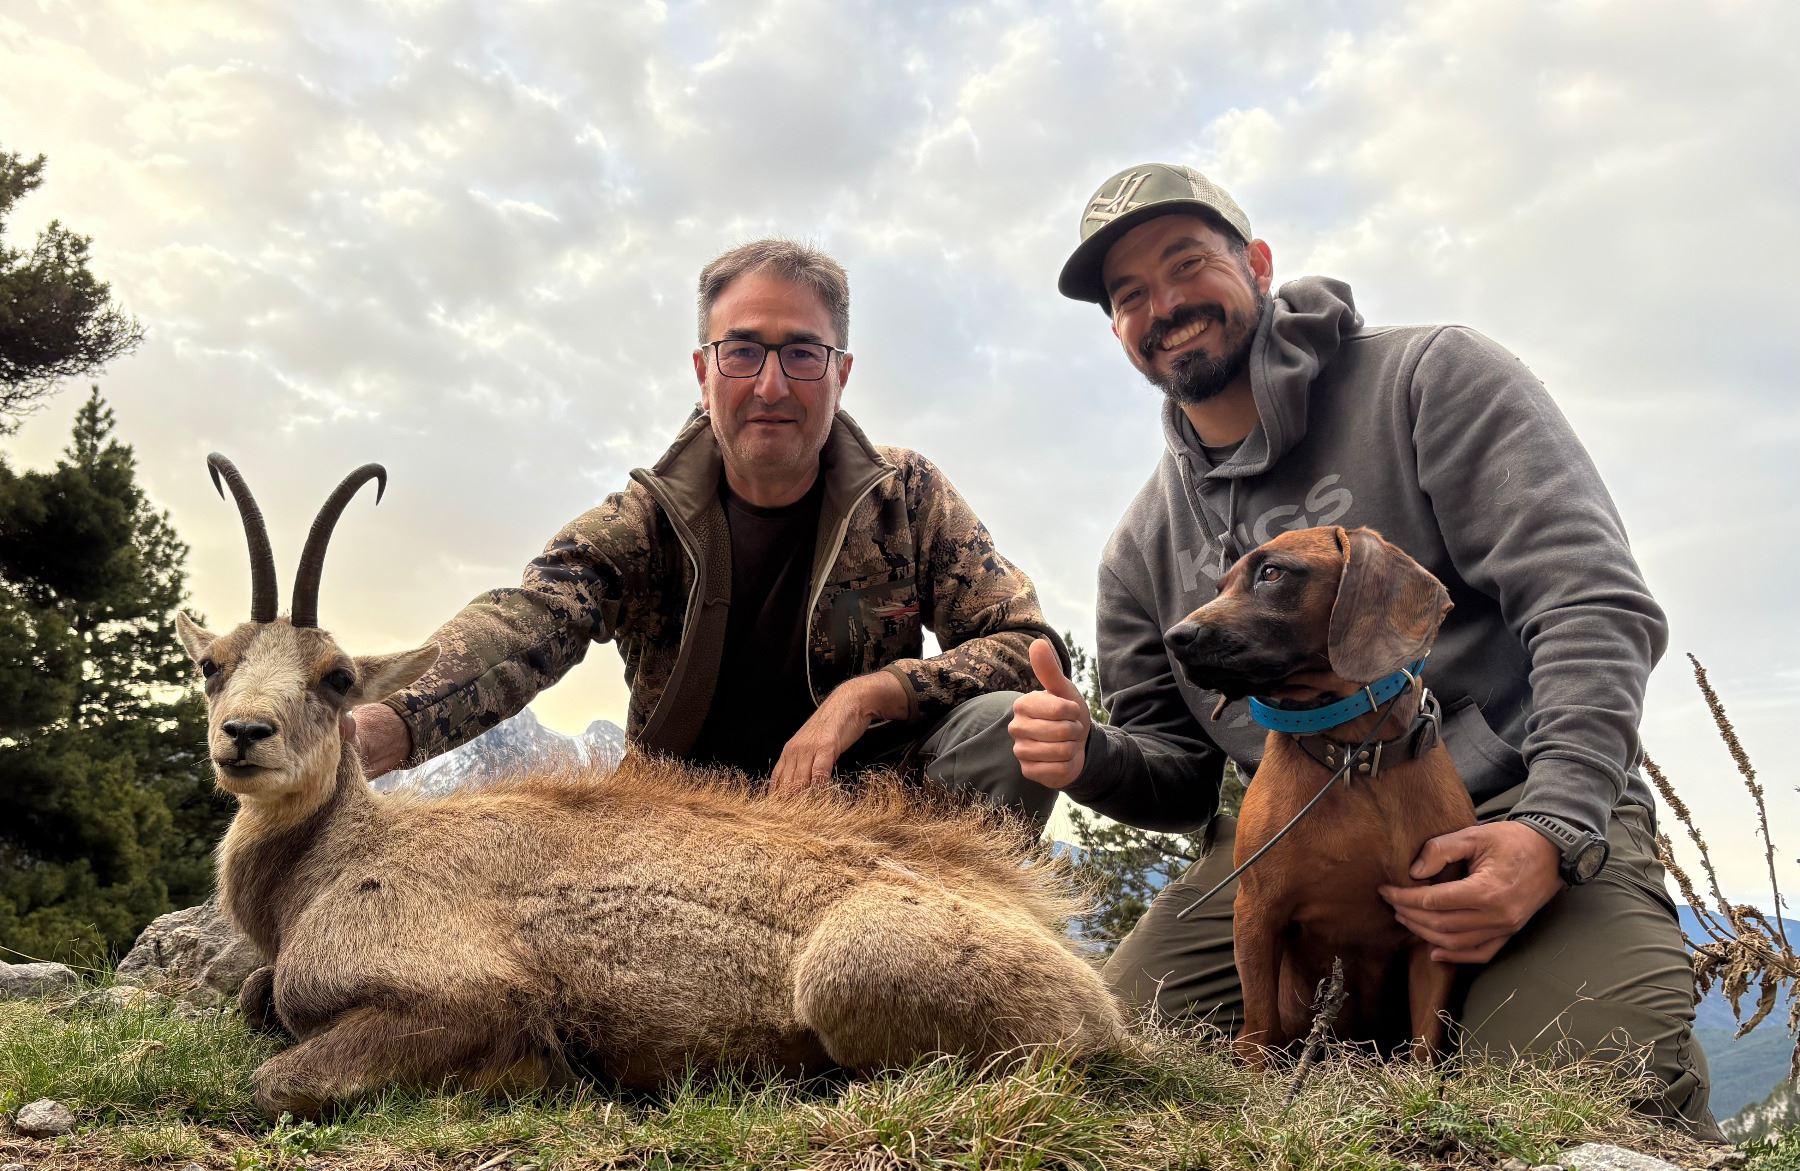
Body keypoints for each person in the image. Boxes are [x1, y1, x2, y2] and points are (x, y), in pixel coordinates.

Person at [1006, 164, 1716, 1133]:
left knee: (1583, 1091)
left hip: (1510, 804)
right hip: (1286, 841)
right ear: (1118, 331)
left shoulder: (1431, 379)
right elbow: (1176, 776)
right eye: (1128, 296)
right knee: (1107, 1067)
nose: (1163, 306)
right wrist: (1089, 755)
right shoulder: (1141, 547)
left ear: (1257, 264)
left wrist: (1554, 828)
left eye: (1186, 264)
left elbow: (1591, 601)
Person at [350, 238, 1064, 829]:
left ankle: (936, 949)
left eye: (803, 355)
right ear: (703, 370)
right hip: (682, 835)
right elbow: (527, 620)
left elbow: (1025, 648)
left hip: (874, 821)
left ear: (842, 374)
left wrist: (869, 696)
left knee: (1013, 728)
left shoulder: (906, 496)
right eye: (742, 352)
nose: (772, 386)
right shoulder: (644, 520)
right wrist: (390, 720)